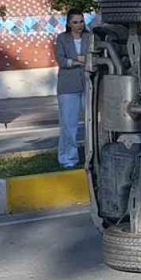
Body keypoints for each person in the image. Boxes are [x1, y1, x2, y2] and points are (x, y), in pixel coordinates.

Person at [55, 10, 90, 169]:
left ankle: (91, 155)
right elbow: (61, 61)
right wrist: (78, 60)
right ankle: (68, 158)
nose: (79, 25)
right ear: (69, 24)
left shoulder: (90, 38)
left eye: (81, 21)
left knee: (92, 122)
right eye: (75, 22)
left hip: (88, 84)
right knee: (69, 125)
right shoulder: (62, 38)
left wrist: (76, 61)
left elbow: (94, 58)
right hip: (68, 86)